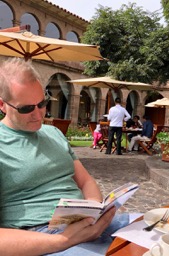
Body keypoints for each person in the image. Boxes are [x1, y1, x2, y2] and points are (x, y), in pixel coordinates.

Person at [0, 58, 129, 256]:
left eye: (41, 103)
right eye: (26, 108)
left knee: (161, 231)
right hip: (40, 236)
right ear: (2, 105)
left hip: (84, 221)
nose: (38, 114)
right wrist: (62, 240)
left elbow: (85, 181)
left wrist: (93, 210)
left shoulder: (53, 133)